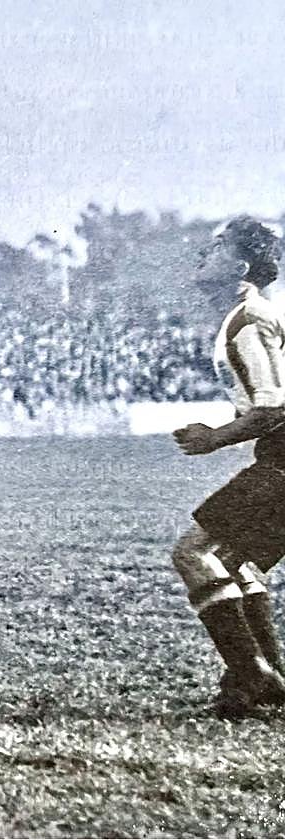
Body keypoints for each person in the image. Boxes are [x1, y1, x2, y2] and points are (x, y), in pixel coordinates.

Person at [170, 215, 285, 717]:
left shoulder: (249, 319)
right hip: (278, 456)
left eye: (216, 248)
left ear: (240, 264)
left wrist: (214, 439)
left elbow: (274, 407)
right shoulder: (245, 316)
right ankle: (249, 685)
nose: (202, 255)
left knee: (193, 552)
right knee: (237, 561)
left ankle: (254, 674)